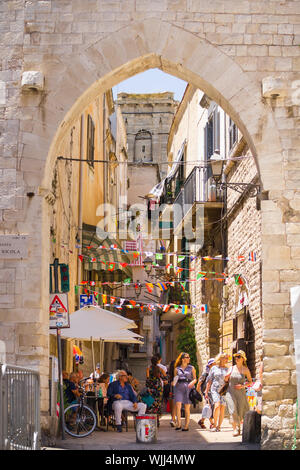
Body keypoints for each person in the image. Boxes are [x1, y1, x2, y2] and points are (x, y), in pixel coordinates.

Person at [225, 350, 252, 436]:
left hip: (240, 392)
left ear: (243, 359)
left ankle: (239, 426)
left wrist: (242, 386)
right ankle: (235, 428)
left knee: (240, 410)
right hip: (230, 392)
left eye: (239, 357)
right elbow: (225, 380)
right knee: (233, 410)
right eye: (236, 356)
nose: (236, 358)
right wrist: (226, 376)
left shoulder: (246, 369)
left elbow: (250, 382)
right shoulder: (231, 368)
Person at [172, 352, 197, 431]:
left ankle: (186, 426)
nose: (189, 358)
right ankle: (179, 424)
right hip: (178, 388)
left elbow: (195, 378)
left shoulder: (191, 368)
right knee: (178, 405)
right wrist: (173, 383)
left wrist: (192, 383)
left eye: (189, 357)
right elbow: (175, 379)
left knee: (187, 407)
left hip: (188, 388)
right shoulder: (176, 369)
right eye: (187, 357)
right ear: (183, 359)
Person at [205, 352, 228, 432]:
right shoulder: (214, 368)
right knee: (217, 405)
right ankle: (214, 425)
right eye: (225, 357)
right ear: (221, 358)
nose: (227, 359)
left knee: (222, 407)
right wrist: (206, 391)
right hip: (215, 389)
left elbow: (229, 381)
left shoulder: (227, 369)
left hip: (224, 390)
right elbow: (209, 380)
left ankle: (219, 426)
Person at [196, 358, 215, 429]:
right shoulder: (206, 373)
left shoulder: (213, 372)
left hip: (212, 391)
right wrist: (197, 392)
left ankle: (202, 420)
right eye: (213, 363)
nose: (215, 365)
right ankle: (212, 423)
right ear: (210, 365)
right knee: (210, 406)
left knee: (210, 406)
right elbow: (200, 382)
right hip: (206, 391)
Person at [167, 360, 177, 427]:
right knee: (176, 404)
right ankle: (174, 419)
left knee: (172, 403)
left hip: (170, 387)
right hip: (176, 386)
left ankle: (173, 418)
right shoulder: (177, 371)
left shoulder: (169, 372)